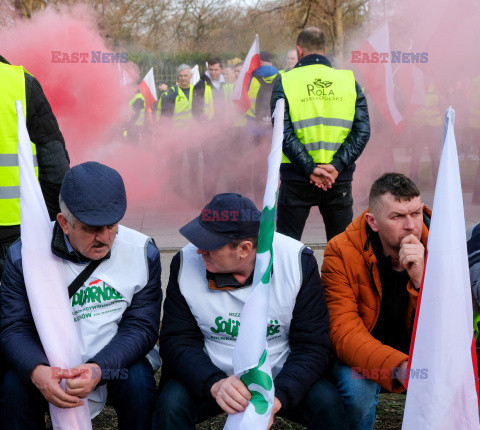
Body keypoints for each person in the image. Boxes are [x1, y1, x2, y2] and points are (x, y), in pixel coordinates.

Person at [152, 193, 348, 430]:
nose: (199, 251)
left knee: (328, 404)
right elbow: (177, 340)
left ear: (245, 248)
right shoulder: (184, 262)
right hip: (214, 371)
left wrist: (276, 400)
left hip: (279, 371)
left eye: (210, 246)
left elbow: (313, 345)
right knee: (170, 405)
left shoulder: (297, 261)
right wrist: (214, 383)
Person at [0, 161, 162, 429]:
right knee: (14, 387)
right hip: (47, 362)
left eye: (112, 225)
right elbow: (13, 327)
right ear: (64, 222)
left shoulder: (143, 251)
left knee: (138, 382)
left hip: (112, 361)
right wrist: (36, 370)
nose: (104, 238)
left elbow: (142, 326)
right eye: (91, 228)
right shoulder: (23, 255)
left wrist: (100, 369)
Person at [321, 173, 430, 430]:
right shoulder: (340, 251)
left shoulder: (440, 243)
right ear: (373, 221)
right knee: (358, 392)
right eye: (397, 217)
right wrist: (398, 366)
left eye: (416, 213)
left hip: (420, 350)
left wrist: (421, 281)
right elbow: (342, 332)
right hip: (360, 354)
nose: (411, 226)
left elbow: (451, 323)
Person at [271, 26, 370, 242]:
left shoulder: (285, 81)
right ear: (324, 50)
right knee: (342, 250)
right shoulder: (349, 82)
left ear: (299, 50)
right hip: (337, 179)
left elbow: (282, 133)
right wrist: (335, 167)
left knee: (287, 249)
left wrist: (309, 169)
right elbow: (362, 131)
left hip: (296, 177)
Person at [0, 56, 69, 279]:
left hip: (16, 231)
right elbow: (55, 163)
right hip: (15, 231)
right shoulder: (18, 82)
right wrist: (53, 222)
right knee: (19, 310)